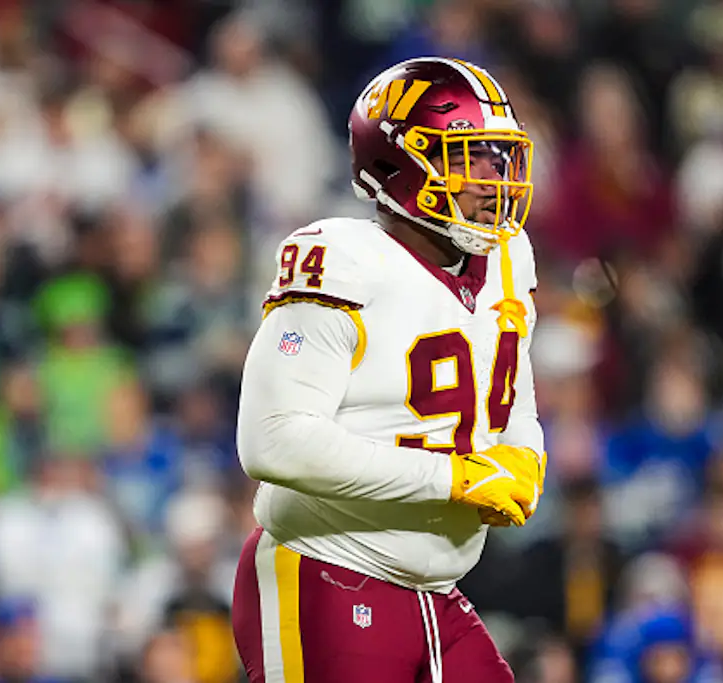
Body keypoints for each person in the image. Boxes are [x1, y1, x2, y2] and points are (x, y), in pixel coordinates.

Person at [232, 57, 547, 683]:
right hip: (325, 571)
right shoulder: (342, 260)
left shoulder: (509, 256)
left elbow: (511, 389)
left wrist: (524, 455)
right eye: (469, 158)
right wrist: (452, 479)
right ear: (399, 164)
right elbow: (272, 441)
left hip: (437, 592)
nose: (494, 179)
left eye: (499, 157)